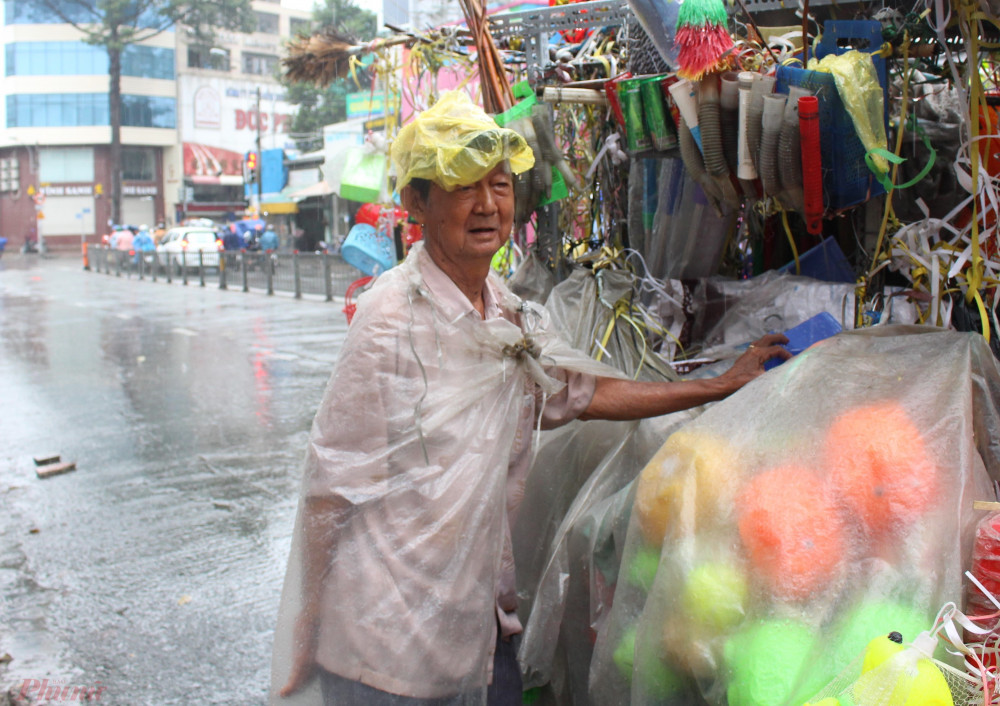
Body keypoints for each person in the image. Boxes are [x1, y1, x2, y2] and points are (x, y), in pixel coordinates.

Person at [270, 92, 789, 706]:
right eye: (464, 185)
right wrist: (304, 629)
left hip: (478, 627)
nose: (488, 204)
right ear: (417, 201)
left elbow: (582, 391)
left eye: (499, 184)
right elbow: (332, 487)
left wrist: (720, 384)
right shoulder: (391, 320)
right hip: (384, 648)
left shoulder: (506, 312)